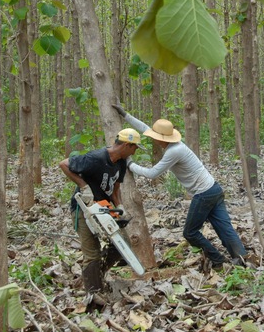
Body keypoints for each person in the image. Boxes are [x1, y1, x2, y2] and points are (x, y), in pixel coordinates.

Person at [113, 104, 247, 269]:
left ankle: (217, 259)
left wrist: (130, 164)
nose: (153, 139)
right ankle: (242, 258)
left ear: (162, 138)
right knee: (224, 227)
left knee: (190, 232)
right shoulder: (174, 145)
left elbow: (153, 173)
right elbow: (146, 129)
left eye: (156, 137)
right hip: (214, 189)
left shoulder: (173, 152)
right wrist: (125, 115)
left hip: (204, 194)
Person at [59, 129, 141, 297]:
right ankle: (94, 293)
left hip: (104, 207)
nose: (135, 151)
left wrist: (119, 205)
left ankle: (98, 273)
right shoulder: (96, 158)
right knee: (92, 253)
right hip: (84, 208)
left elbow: (114, 187)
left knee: (123, 243)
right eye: (135, 148)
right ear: (127, 145)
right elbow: (64, 164)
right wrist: (84, 186)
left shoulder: (121, 163)